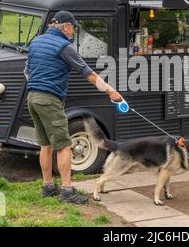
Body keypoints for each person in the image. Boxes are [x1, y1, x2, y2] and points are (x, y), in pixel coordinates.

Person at [24, 11, 122, 204]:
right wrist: (111, 91)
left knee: (45, 144)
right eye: (73, 28)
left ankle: (48, 186)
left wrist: (39, 85)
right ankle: (68, 191)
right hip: (49, 100)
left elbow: (26, 71)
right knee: (64, 146)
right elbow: (89, 74)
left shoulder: (36, 42)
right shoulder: (64, 46)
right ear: (66, 26)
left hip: (32, 97)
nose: (74, 32)